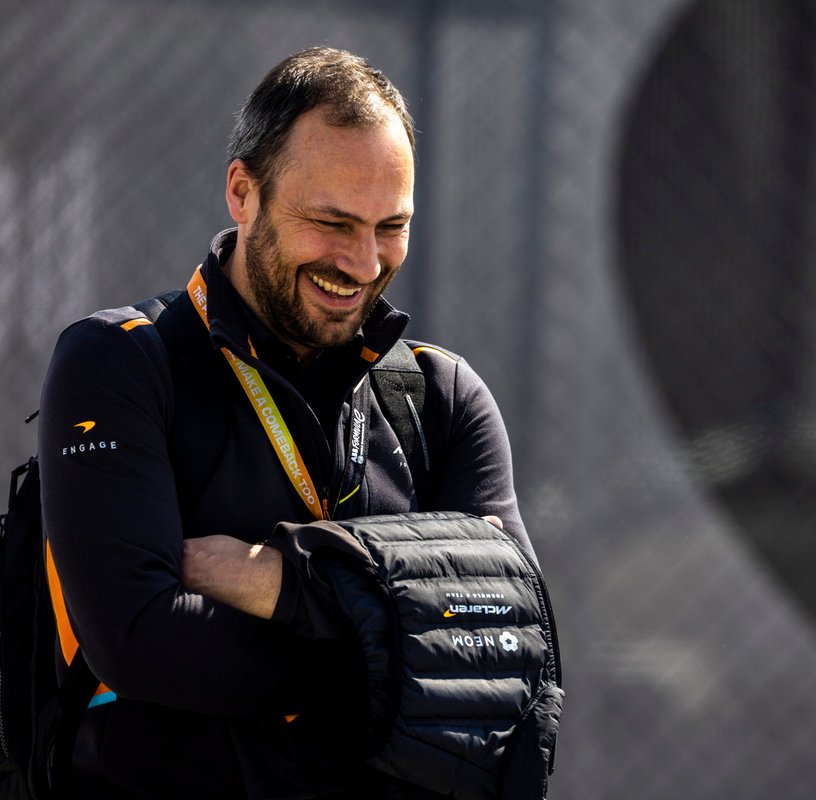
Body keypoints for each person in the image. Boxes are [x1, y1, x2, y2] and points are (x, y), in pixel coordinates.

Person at [38, 47, 532, 799]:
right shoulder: (122, 361)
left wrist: (276, 584)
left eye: (390, 226)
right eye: (332, 222)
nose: (364, 263)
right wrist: (405, 654)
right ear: (244, 192)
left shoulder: (445, 394)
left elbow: (514, 649)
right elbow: (137, 642)